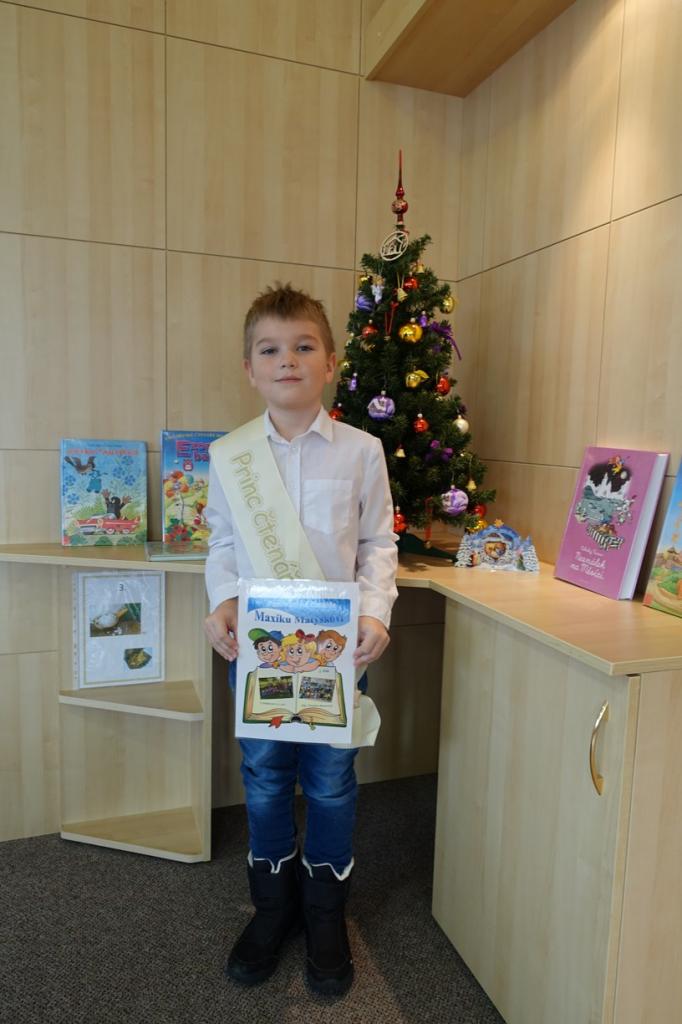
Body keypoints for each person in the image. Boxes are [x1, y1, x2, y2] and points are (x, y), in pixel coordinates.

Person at [203, 283, 398, 996]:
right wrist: (222, 600)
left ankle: (323, 913)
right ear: (249, 368)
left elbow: (378, 543)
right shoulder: (231, 457)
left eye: (303, 346)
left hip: (334, 658)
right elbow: (222, 542)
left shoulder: (362, 451)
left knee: (331, 782)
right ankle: (272, 908)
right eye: (270, 349)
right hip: (258, 657)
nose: (287, 360)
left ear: (330, 362)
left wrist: (377, 613)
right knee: (263, 778)